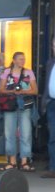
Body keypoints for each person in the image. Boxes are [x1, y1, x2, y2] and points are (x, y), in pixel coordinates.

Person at [0, 52, 38, 171]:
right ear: (14, 60)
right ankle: (12, 161)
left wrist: (23, 92)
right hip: (10, 104)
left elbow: (35, 90)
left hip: (24, 105)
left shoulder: (29, 72)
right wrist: (12, 91)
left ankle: (24, 161)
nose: (22, 61)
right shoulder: (6, 72)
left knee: (26, 134)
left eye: (23, 59)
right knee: (9, 134)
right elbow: (1, 89)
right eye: (20, 59)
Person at [42, 38, 55, 178]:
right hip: (52, 102)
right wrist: (44, 102)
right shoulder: (50, 63)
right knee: (52, 137)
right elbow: (47, 84)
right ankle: (53, 168)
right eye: (53, 45)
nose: (54, 48)